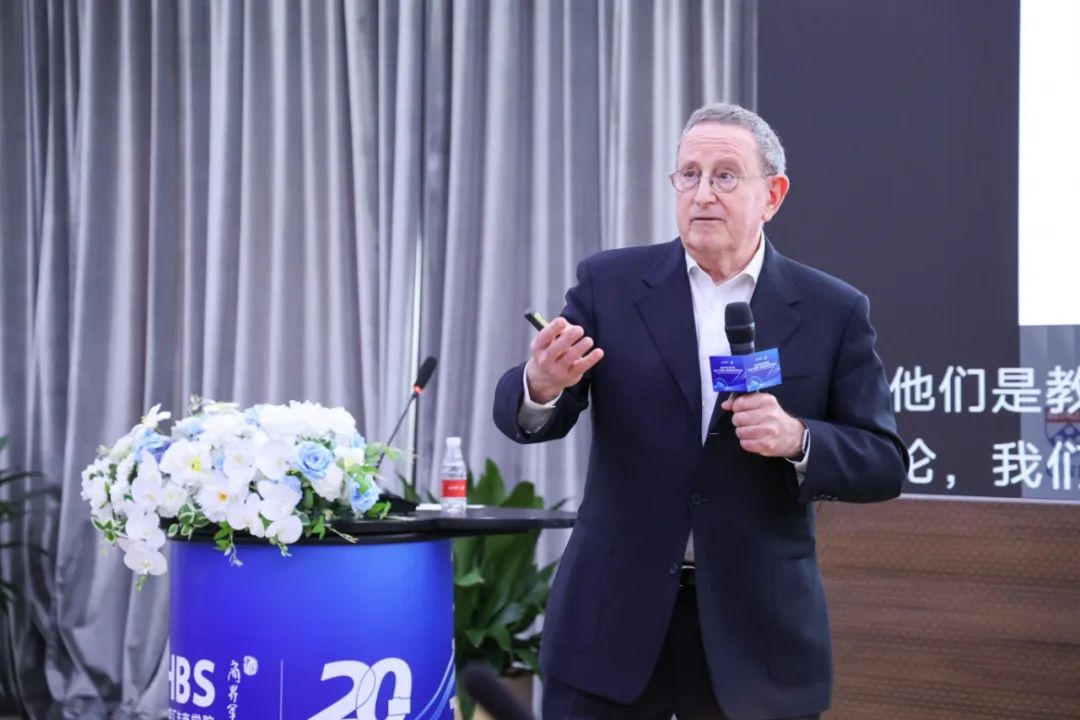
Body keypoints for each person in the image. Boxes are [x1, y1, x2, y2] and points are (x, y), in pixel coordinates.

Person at [492, 103, 908, 720]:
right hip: (613, 625)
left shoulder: (832, 310)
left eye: (725, 175)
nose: (703, 193)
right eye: (689, 174)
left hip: (756, 638)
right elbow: (527, 415)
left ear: (773, 195)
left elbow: (884, 461)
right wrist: (542, 383)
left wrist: (797, 438)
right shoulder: (611, 284)